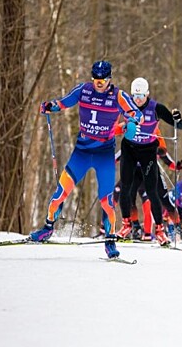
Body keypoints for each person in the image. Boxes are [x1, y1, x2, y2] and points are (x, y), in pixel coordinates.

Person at [30, 60, 143, 259]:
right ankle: (47, 228)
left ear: (110, 79)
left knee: (107, 201)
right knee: (60, 192)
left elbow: (138, 114)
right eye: (96, 79)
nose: (99, 83)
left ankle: (110, 240)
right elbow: (63, 103)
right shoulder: (83, 90)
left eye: (103, 80)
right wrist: (49, 106)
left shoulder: (118, 95)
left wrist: (132, 121)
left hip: (104, 155)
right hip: (81, 152)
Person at [118, 77, 182, 245]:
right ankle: (126, 225)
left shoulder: (156, 108)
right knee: (125, 189)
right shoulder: (125, 104)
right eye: (135, 96)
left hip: (148, 151)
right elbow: (111, 123)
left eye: (141, 96)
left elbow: (180, 126)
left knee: (152, 191)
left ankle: (160, 231)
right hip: (129, 149)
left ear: (147, 94)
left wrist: (177, 118)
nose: (138, 99)